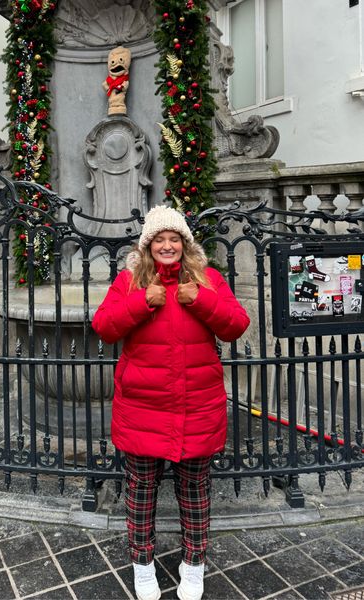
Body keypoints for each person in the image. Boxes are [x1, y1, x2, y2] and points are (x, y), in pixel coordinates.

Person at [92, 206, 250, 600]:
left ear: (184, 244)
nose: (167, 246)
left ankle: (193, 564)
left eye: (174, 239)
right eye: (159, 239)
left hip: (197, 403)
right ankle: (142, 565)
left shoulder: (208, 280)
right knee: (141, 489)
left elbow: (236, 325)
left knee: (195, 489)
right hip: (143, 406)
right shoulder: (129, 282)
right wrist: (143, 301)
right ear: (148, 246)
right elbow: (104, 327)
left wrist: (199, 300)